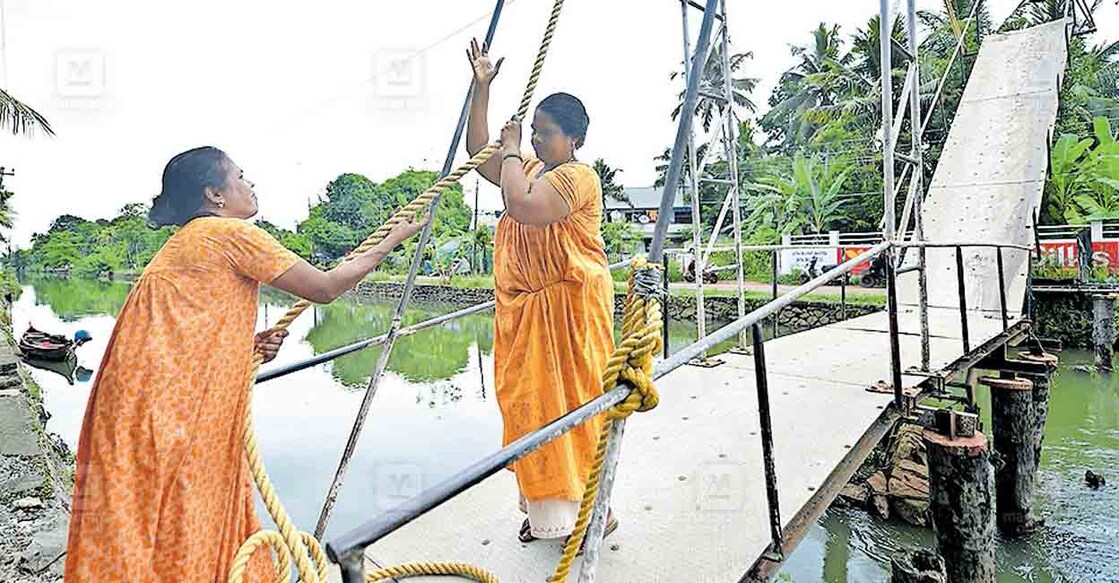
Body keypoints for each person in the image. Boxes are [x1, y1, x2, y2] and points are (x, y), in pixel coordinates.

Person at [63, 146, 426, 581]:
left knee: (151, 517)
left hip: (136, 410)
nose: (250, 184)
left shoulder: (186, 243)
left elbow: (188, 329)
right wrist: (392, 240)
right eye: (240, 176)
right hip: (171, 416)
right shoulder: (231, 234)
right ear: (215, 194)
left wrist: (247, 345)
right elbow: (326, 288)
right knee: (182, 507)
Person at [466, 38, 618, 544]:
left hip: (569, 313)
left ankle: (595, 510)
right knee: (531, 408)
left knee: (572, 413)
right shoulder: (529, 169)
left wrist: (511, 154)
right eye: (532, 133)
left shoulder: (577, 179)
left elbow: (523, 207)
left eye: (545, 134)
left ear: (573, 138)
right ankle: (544, 513)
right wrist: (481, 87)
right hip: (529, 314)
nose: (534, 142)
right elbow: (480, 156)